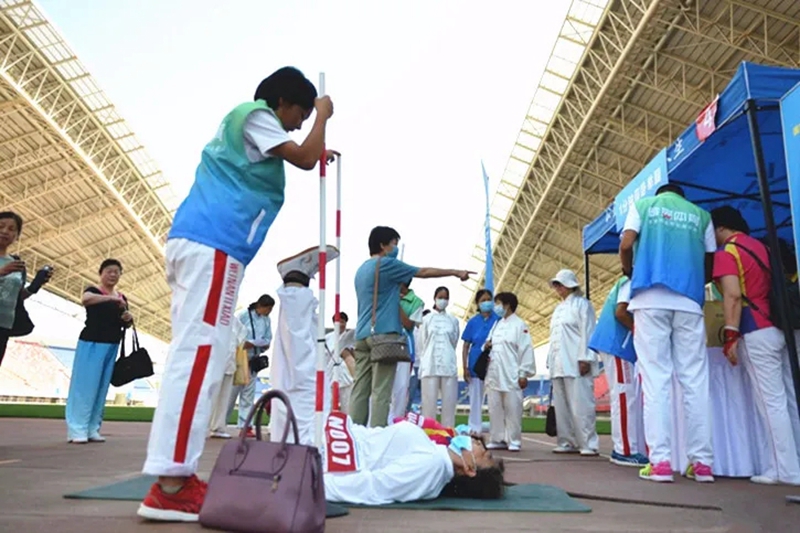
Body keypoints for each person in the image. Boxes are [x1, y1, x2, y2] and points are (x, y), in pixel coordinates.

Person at [138, 66, 336, 522]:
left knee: (198, 353)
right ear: (282, 102)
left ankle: (174, 476)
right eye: (301, 114)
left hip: (204, 244)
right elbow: (306, 157)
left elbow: (303, 153)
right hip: (214, 245)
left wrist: (316, 138)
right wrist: (325, 115)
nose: (300, 125)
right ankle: (171, 482)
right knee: (198, 356)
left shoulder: (251, 128)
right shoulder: (256, 116)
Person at [619, 183, 716, 483]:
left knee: (656, 379)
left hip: (650, 298)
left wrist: (629, 270)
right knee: (695, 381)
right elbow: (710, 260)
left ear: (660, 194)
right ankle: (702, 464)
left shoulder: (643, 206)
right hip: (689, 301)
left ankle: (661, 462)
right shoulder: (701, 216)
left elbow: (626, 244)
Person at [710, 206, 800, 485]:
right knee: (789, 399)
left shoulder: (727, 252)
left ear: (720, 228)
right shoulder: (763, 247)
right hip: (780, 326)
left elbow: (733, 296)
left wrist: (731, 335)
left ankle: (784, 470)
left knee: (771, 403)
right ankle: (794, 462)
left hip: (755, 329)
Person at [349, 226, 473, 428]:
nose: (395, 248)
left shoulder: (362, 269)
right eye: (393, 244)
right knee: (381, 391)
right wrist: (455, 272)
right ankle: (378, 434)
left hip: (362, 334)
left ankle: (355, 431)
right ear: (383, 245)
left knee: (360, 389)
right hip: (383, 335)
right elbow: (423, 272)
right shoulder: (386, 264)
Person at [322, 411, 505, 505]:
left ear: (470, 470)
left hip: (324, 452)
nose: (477, 441)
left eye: (484, 452)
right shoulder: (434, 451)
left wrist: (314, 483)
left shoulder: (432, 465)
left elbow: (374, 486)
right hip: (330, 433)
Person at [269, 245, 338, 445]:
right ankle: (295, 281)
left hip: (299, 443)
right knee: (303, 369)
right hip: (305, 439)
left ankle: (296, 280)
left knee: (298, 365)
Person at [65, 258, 133, 444]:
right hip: (92, 342)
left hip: (111, 344)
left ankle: (92, 428)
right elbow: (86, 299)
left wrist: (127, 318)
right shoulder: (94, 291)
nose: (113, 275)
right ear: (101, 273)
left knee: (101, 388)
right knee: (84, 387)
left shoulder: (122, 297)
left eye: (117, 272)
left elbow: (123, 321)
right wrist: (111, 298)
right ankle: (77, 429)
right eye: (109, 271)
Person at [588, 275, 648, 467]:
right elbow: (621, 312)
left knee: (624, 396)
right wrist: (641, 332)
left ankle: (625, 448)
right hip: (618, 344)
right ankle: (624, 450)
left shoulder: (626, 281)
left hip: (614, 343)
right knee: (624, 396)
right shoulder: (630, 280)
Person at [546, 269, 600, 456]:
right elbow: (554, 337)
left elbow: (588, 331)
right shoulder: (558, 309)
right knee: (562, 407)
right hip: (558, 364)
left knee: (581, 405)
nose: (557, 288)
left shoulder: (582, 305)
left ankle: (588, 443)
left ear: (570, 285)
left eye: (560, 284)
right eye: (556, 284)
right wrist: (550, 361)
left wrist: (586, 357)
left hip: (576, 362)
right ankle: (566, 441)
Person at [483, 292, 536, 452]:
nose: (496, 307)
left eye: (498, 303)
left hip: (511, 372)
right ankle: (497, 438)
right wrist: (486, 346)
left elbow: (526, 349)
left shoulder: (520, 325)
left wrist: (523, 373)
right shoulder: (497, 324)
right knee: (495, 407)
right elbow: (488, 344)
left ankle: (514, 439)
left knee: (513, 408)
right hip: (494, 372)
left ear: (507, 305)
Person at [0, 211, 52, 365]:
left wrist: (36, 285)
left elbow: (17, 297)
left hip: (4, 325)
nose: (5, 231)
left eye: (12, 229)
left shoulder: (16, 263)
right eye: (1, 226)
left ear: (17, 236)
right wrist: (2, 272)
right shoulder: (10, 266)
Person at [227, 294, 274, 435]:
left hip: (254, 359)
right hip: (240, 357)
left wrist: (263, 344)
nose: (269, 312)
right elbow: (233, 333)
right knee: (231, 394)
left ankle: (245, 426)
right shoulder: (243, 316)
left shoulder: (266, 320)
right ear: (261, 306)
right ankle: (220, 423)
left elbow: (268, 338)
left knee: (248, 394)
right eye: (268, 309)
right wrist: (244, 343)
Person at [419, 286, 460, 428]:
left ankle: (448, 431)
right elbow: (422, 343)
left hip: (448, 364)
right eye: (440, 297)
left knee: (449, 403)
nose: (443, 300)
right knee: (428, 402)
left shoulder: (453, 320)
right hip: (430, 365)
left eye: (446, 298)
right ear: (434, 298)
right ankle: (428, 432)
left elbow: (454, 341)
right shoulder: (426, 319)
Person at [461, 289, 499, 433]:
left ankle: (497, 429)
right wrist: (464, 367)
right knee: (475, 399)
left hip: (493, 362)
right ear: (477, 303)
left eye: (489, 299)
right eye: (483, 300)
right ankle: (474, 428)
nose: (486, 302)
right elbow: (465, 345)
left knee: (495, 398)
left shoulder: (498, 320)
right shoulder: (472, 322)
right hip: (476, 364)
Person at [388, 279, 424, 421]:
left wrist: (396, 304)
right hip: (385, 346)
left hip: (404, 349)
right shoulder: (386, 295)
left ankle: (397, 421)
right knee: (382, 386)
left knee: (401, 388)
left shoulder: (416, 302)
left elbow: (409, 324)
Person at [325, 311, 356, 414]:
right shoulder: (327, 338)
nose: (341, 324)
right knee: (328, 404)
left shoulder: (350, 337)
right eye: (339, 322)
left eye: (343, 322)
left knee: (347, 405)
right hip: (330, 374)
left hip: (346, 376)